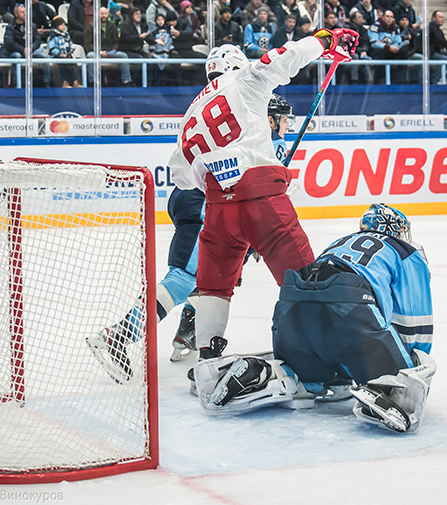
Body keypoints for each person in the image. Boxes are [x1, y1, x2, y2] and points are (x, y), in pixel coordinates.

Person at [168, 29, 359, 363]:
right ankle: (327, 351)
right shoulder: (244, 79)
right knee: (303, 278)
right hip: (262, 200)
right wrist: (325, 40)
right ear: (238, 63)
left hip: (216, 209)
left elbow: (181, 175)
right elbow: (284, 57)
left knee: (214, 287)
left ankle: (207, 359)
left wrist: (221, 178)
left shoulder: (192, 109)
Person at [87, 95, 299, 382]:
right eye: (284, 119)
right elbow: (253, 187)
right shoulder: (263, 138)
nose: (288, 125)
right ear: (270, 119)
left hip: (201, 200)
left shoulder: (252, 132)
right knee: (186, 277)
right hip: (205, 204)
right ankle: (118, 336)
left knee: (217, 275)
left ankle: (186, 333)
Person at [194, 204, 437, 434]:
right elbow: (415, 322)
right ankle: (384, 387)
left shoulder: (339, 242)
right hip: (349, 304)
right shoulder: (405, 251)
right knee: (395, 379)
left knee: (314, 378)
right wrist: (408, 367)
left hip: (292, 304)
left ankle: (268, 373)